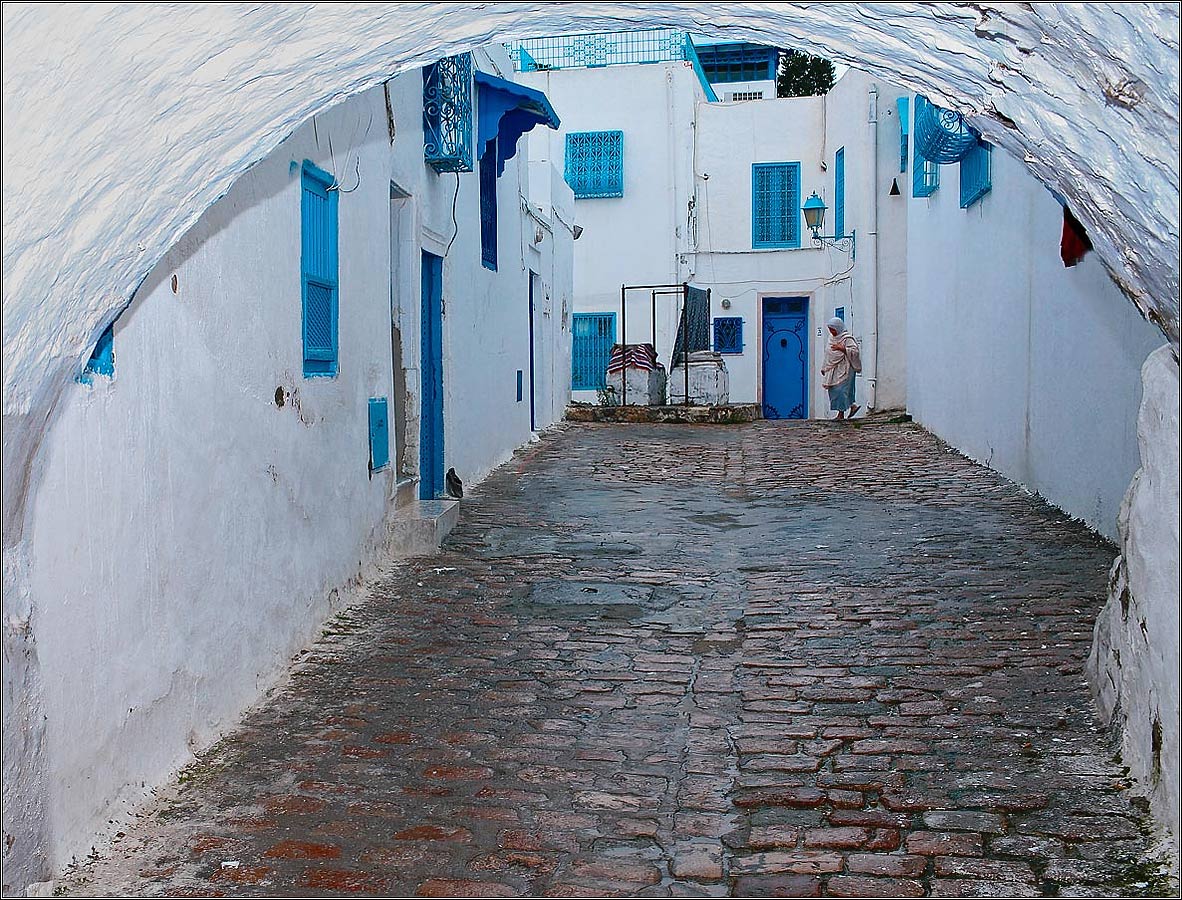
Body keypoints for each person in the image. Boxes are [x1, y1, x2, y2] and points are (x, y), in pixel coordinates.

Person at [820, 316, 861, 420]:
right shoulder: (831, 339)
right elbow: (828, 354)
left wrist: (843, 349)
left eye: (833, 329)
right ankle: (848, 409)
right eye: (830, 330)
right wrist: (824, 367)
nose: (831, 332)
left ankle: (843, 412)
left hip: (845, 369)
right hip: (833, 370)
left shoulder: (847, 339)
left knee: (842, 390)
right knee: (834, 391)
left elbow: (855, 352)